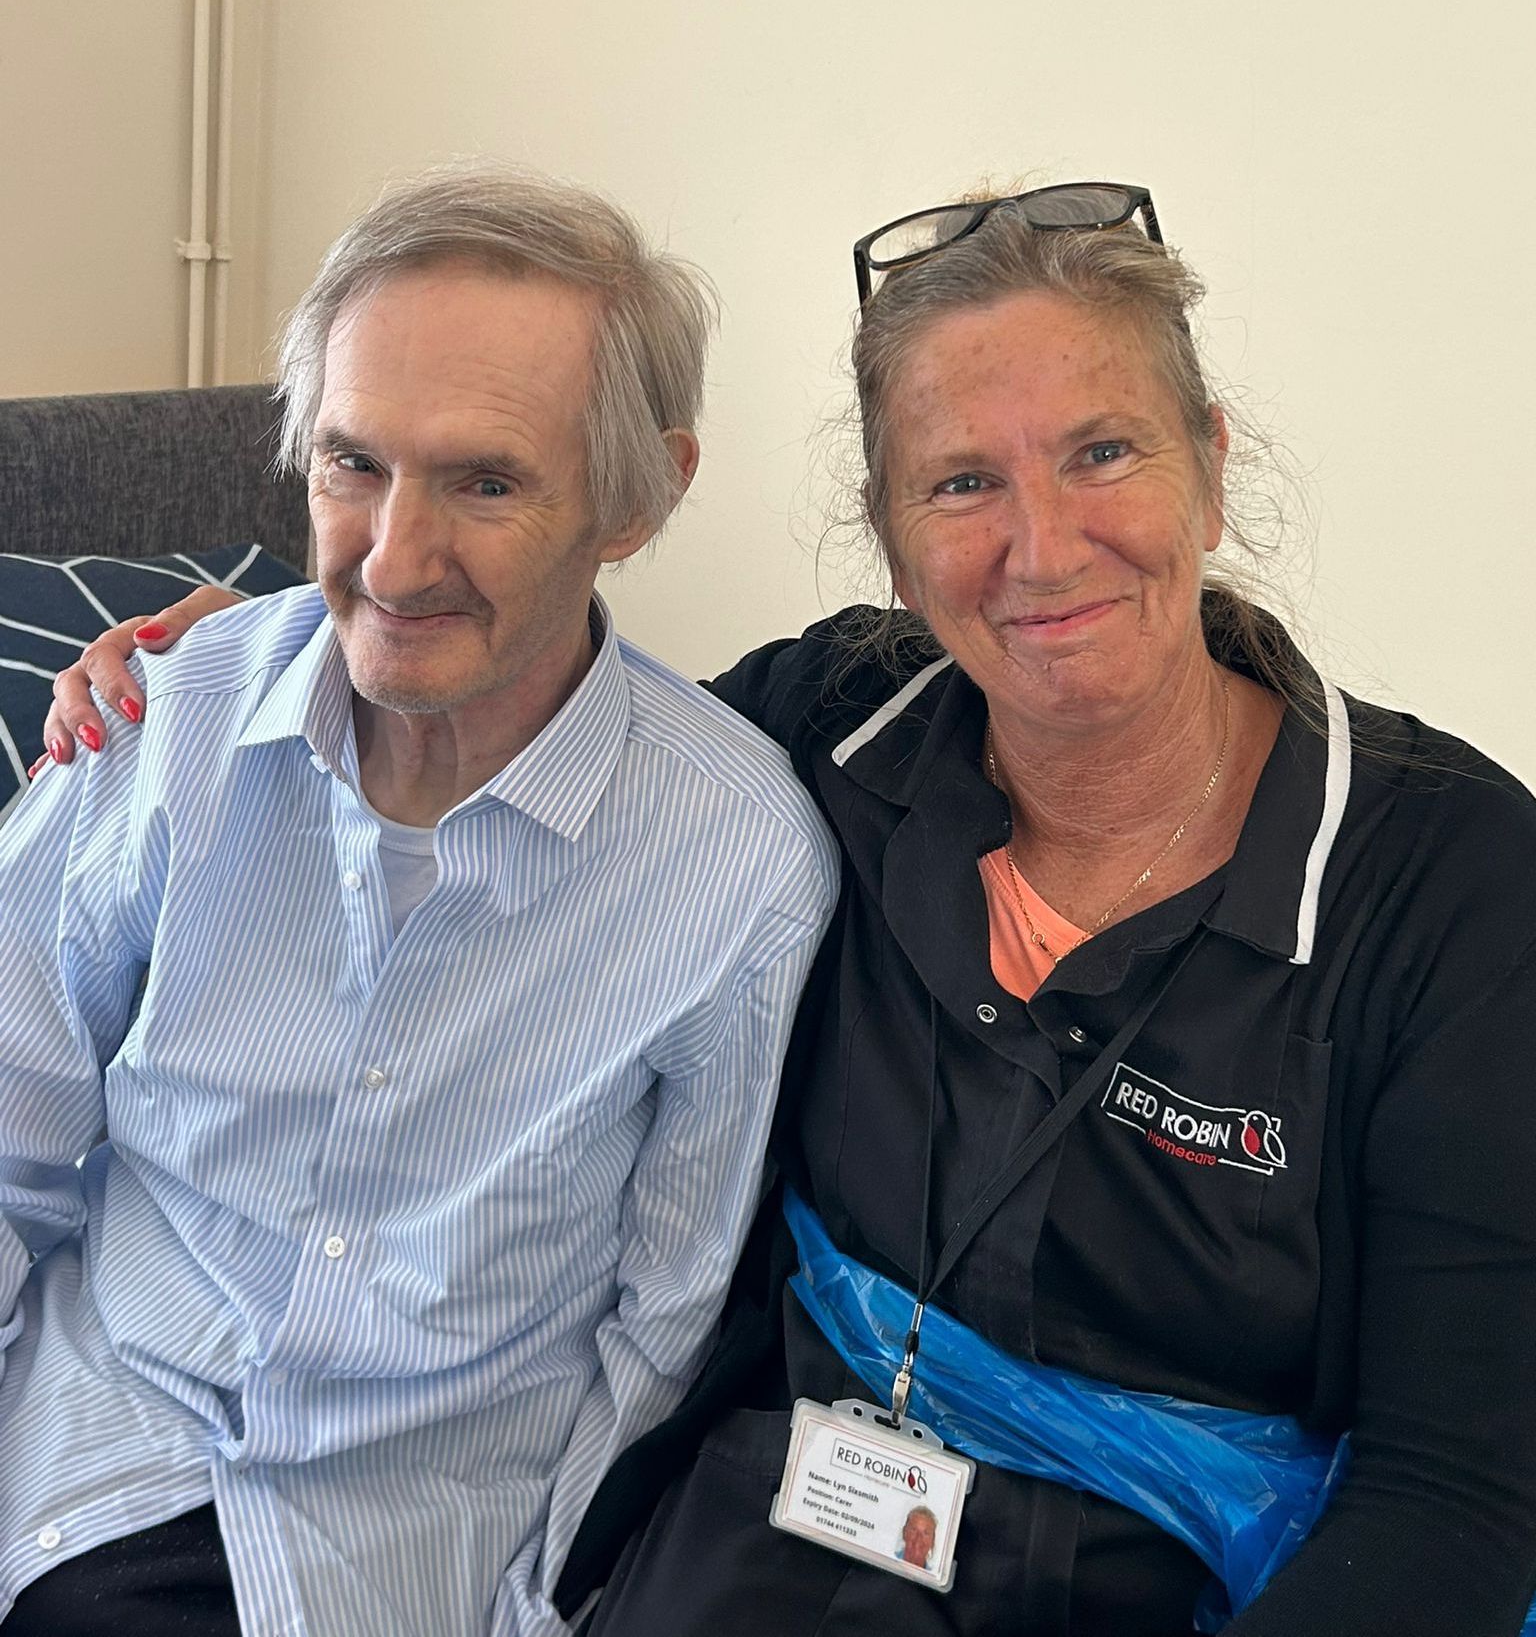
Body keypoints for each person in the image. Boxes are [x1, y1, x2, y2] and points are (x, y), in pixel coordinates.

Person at [45, 180, 1536, 1636]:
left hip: (1187, 1570)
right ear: (889, 532)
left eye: (1102, 451)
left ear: (1211, 466)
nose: (1042, 544)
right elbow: (548, 728)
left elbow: (1458, 1488)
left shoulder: (1451, 883)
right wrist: (306, 630)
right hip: (779, 1522)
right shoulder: (827, 733)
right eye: (960, 481)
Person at [1, 168, 837, 1635]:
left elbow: (664, 1331)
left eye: (487, 480)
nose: (391, 560)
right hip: (88, 1471)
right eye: (352, 465)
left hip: (415, 1559)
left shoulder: (739, 860)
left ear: (641, 494)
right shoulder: (168, 716)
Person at [897, 1506, 937, 1571]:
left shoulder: (933, 1578)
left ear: (932, 1541)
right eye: (913, 1530)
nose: (918, 1538)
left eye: (926, 1533)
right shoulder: (886, 1561)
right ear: (904, 1533)